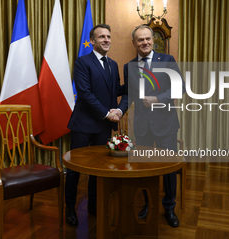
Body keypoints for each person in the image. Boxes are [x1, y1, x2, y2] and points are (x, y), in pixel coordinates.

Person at [66, 24, 128, 227]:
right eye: (101, 36)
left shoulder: (113, 64)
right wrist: (106, 114)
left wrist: (134, 81)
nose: (106, 39)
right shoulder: (82, 62)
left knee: (97, 169)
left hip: (102, 128)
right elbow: (85, 93)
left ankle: (93, 205)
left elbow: (113, 91)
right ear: (92, 41)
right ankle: (70, 209)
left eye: (109, 36)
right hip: (83, 125)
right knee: (75, 170)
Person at [123, 25, 185, 227]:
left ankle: (169, 208)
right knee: (145, 168)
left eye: (148, 39)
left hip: (165, 125)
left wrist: (157, 98)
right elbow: (129, 95)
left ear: (153, 40)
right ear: (134, 43)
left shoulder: (167, 60)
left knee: (168, 169)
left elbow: (179, 88)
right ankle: (148, 204)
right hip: (142, 127)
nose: (145, 43)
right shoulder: (129, 66)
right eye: (140, 40)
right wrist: (118, 110)